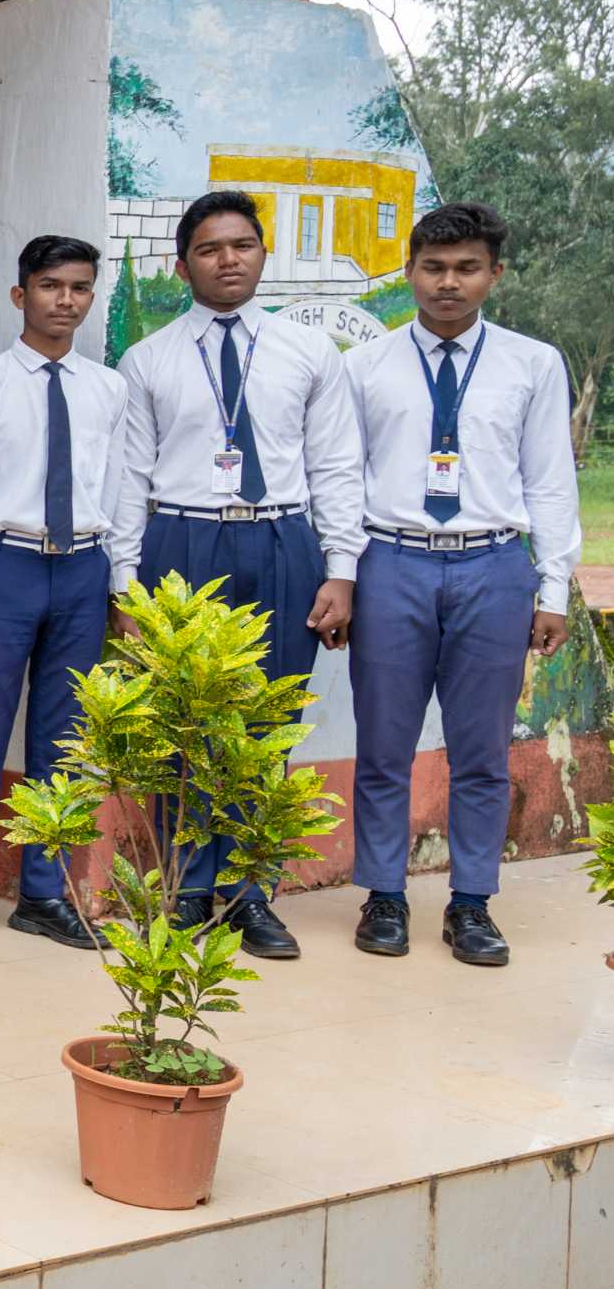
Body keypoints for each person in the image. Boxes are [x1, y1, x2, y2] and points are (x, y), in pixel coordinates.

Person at [105, 189, 365, 960]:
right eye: (211, 249)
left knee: (262, 728)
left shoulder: (307, 352)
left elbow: (336, 466)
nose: (228, 260)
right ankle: (186, 890)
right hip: (178, 543)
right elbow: (127, 478)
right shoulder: (145, 359)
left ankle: (249, 894)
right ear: (181, 263)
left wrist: (340, 569)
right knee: (180, 727)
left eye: (242, 246)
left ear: (261, 254)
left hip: (281, 542)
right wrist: (125, 585)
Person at [343, 203, 580, 967]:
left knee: (479, 749)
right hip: (392, 563)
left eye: (466, 267)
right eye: (433, 267)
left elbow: (549, 480)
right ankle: (382, 895)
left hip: (490, 565)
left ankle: (470, 903)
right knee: (382, 744)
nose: (448, 283)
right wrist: (342, 576)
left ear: (493, 275)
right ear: (408, 271)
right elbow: (342, 483)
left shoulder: (531, 364)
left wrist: (551, 588)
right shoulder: (365, 366)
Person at [0, 236, 123, 950]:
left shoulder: (107, 389)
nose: (63, 300)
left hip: (81, 570)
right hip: (1, 568)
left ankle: (44, 892)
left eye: (77, 288)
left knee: (62, 743)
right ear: (19, 296)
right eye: (48, 286)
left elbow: (119, 489)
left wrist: (117, 582)